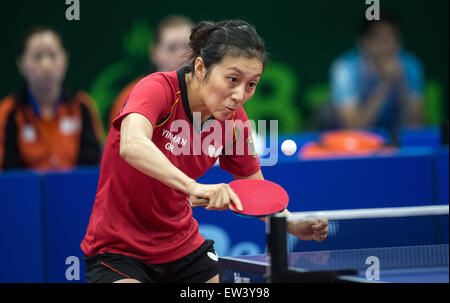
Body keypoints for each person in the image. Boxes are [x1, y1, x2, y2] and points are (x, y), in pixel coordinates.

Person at [81, 20, 328, 283]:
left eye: (251, 84)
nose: (239, 95)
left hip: (183, 248)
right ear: (201, 67)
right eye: (232, 79)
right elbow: (132, 144)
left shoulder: (235, 122)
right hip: (119, 250)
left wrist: (288, 224)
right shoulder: (158, 89)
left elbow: (254, 191)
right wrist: (194, 187)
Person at [0, 27, 104, 171]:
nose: (46, 65)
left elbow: (93, 165)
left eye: (53, 56)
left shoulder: (81, 106)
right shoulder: (8, 111)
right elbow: (6, 171)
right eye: (37, 57)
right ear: (21, 64)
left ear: (65, 59)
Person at [330, 13, 424, 131]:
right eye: (379, 39)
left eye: (393, 38)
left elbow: (417, 127)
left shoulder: (410, 65)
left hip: (394, 141)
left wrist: (401, 83)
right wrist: (385, 84)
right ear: (362, 42)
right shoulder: (345, 68)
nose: (387, 46)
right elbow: (353, 128)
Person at [107, 15, 194, 128]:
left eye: (187, 47)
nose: (181, 55)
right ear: (155, 52)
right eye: (172, 48)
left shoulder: (209, 96)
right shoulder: (131, 95)